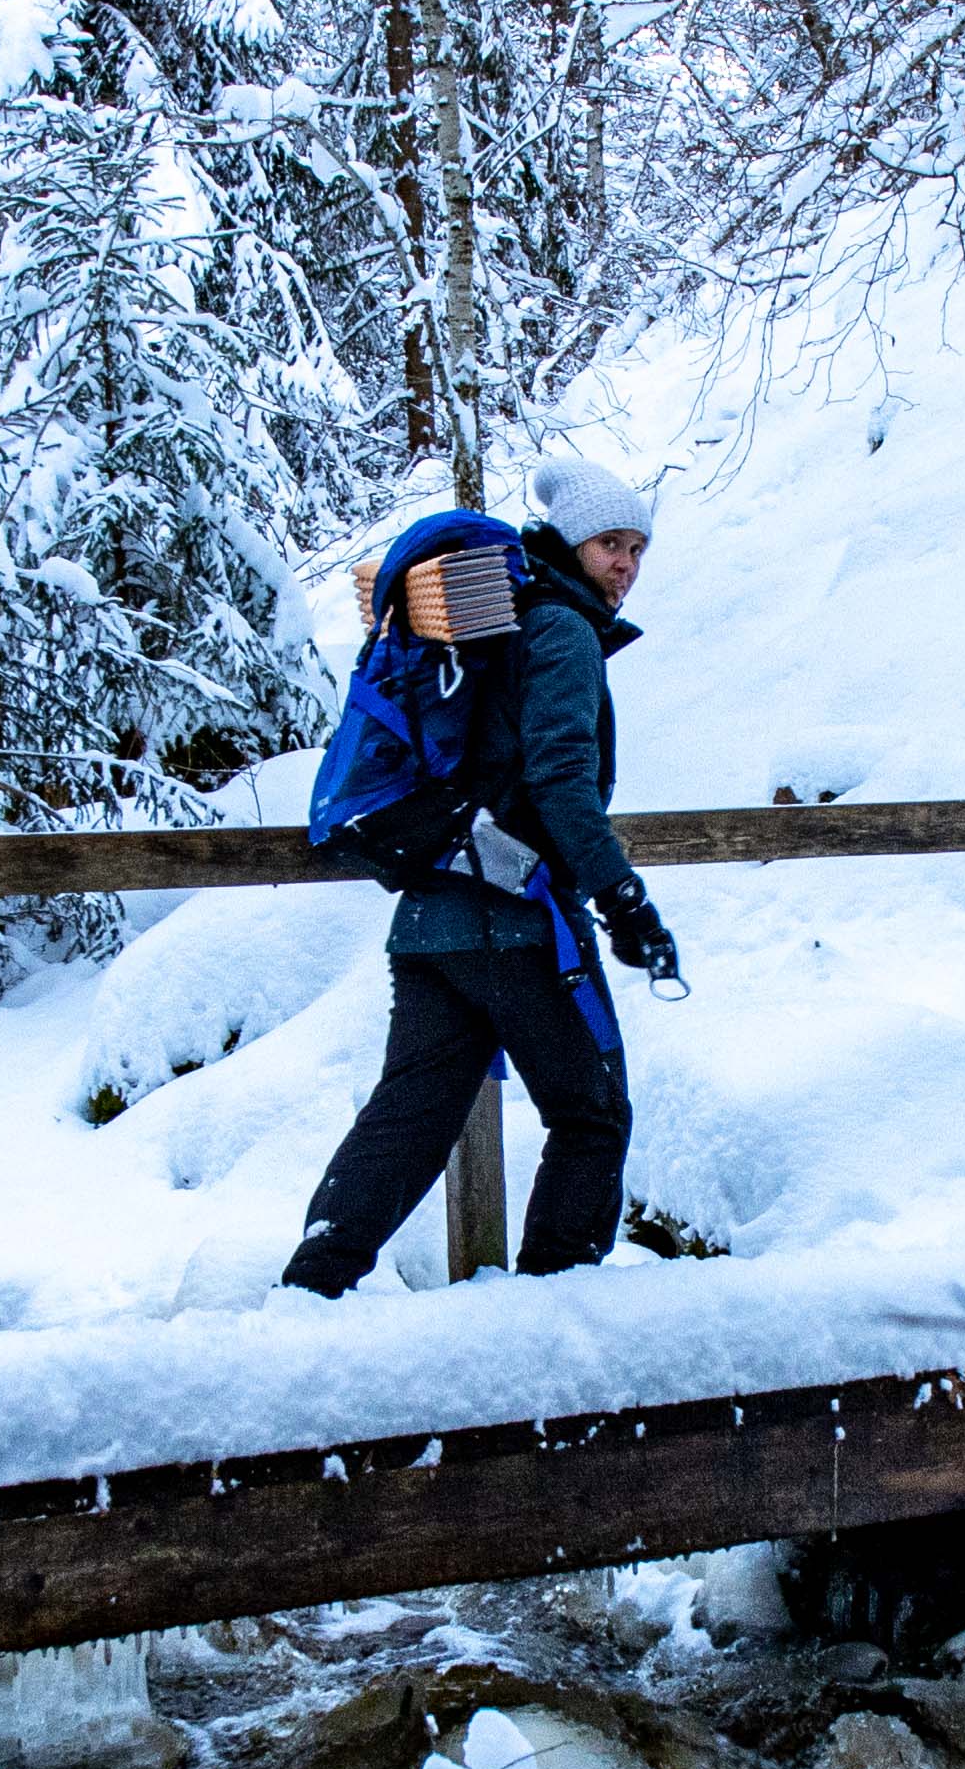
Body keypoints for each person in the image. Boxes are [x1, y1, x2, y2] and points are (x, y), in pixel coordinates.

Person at [280, 455, 688, 1292]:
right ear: (571, 544)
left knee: (410, 1117)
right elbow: (561, 779)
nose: (626, 565)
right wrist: (623, 900)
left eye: (638, 548)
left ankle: (307, 1290)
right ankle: (550, 1313)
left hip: (432, 920)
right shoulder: (562, 631)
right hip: (517, 919)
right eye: (610, 543)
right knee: (592, 1117)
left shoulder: (495, 625)